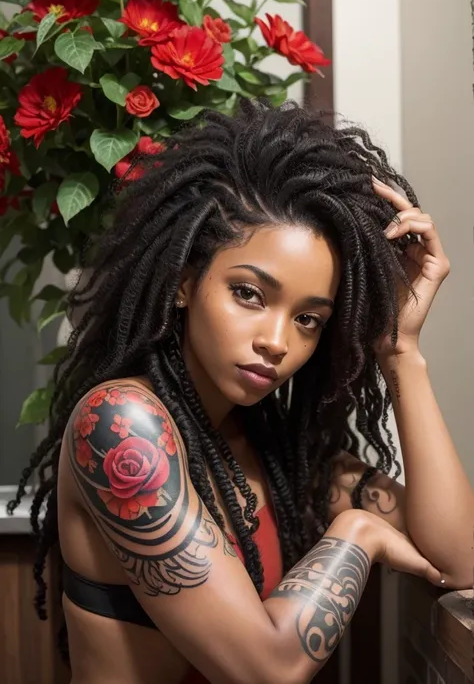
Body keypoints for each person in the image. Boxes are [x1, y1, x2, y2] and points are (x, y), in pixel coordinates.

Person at [8, 100, 473, 684]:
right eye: (250, 294)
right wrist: (359, 530)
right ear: (183, 281)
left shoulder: (271, 448)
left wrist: (400, 351)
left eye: (309, 319)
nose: (277, 341)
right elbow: (267, 668)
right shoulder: (121, 424)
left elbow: (461, 561)